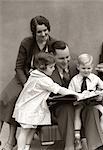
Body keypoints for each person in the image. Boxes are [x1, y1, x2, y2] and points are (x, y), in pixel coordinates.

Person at [0, 15, 56, 150]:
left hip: (43, 81)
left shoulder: (53, 44)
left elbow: (56, 66)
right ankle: (10, 138)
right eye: (39, 32)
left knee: (24, 100)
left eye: (45, 30)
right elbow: (19, 67)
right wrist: (26, 84)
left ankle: (13, 140)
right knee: (7, 98)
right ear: (33, 32)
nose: (43, 34)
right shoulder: (27, 43)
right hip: (24, 78)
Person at [12, 52, 80, 150]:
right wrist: (77, 94)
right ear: (42, 67)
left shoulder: (36, 75)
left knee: (32, 128)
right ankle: (21, 148)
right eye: (51, 67)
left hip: (33, 108)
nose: (53, 69)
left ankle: (26, 148)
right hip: (28, 108)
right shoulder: (42, 80)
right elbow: (58, 89)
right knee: (25, 130)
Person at [69, 53, 103, 149]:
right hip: (80, 102)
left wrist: (102, 96)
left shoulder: (95, 78)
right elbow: (70, 92)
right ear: (78, 67)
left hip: (93, 102)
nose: (86, 71)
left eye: (88, 68)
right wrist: (76, 97)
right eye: (83, 68)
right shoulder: (74, 80)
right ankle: (77, 138)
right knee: (77, 113)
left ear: (92, 67)